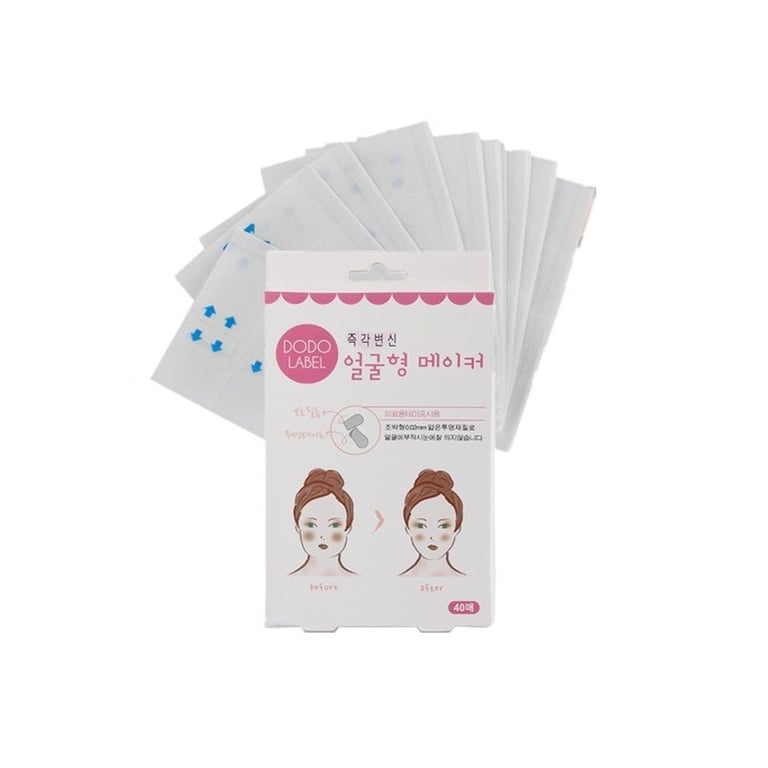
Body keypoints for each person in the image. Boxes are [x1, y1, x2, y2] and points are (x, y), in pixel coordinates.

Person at [290, 469, 356, 576]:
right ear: (298, 527)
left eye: (334, 525)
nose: (323, 535)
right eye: (311, 525)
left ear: (347, 529)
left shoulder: (359, 581)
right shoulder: (288, 581)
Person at [400, 469, 465, 577]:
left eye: (443, 526)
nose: (432, 536)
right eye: (421, 525)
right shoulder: (398, 582)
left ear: (457, 529)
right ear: (408, 529)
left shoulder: (468, 582)